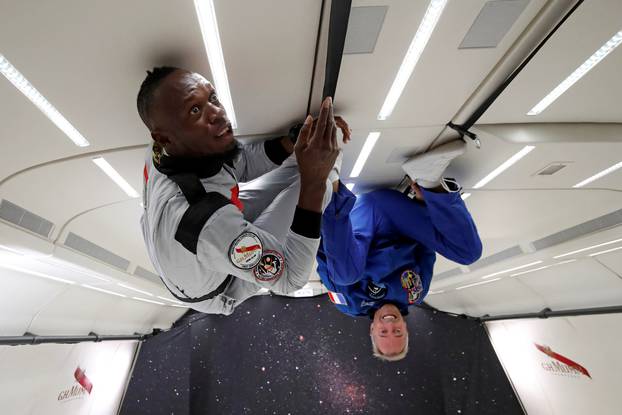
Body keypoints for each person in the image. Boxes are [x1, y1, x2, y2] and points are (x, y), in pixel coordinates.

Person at [137, 66, 350, 314]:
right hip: (219, 287)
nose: (217, 113)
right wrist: (314, 181)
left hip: (192, 245)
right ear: (164, 138)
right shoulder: (205, 220)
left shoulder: (165, 148)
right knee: (320, 184)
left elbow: (240, 164)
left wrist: (294, 139)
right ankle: (328, 175)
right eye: (195, 110)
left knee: (301, 162)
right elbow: (291, 277)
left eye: (212, 98)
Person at [316, 140, 483, 361]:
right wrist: (427, 207)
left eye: (384, 332)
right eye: (397, 331)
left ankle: (331, 177)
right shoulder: (416, 293)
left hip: (360, 223)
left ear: (372, 330)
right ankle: (429, 179)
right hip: (398, 216)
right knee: (469, 254)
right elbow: (426, 249)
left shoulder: (350, 304)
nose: (390, 324)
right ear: (405, 327)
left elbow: (328, 260)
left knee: (345, 276)